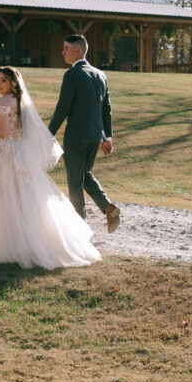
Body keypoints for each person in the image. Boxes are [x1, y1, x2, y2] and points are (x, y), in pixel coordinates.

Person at [0, 66, 101, 269]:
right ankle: (27, 240)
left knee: (4, 198)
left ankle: (10, 244)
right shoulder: (20, 101)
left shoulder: (3, 102)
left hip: (5, 155)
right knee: (22, 197)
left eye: (3, 81)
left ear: (13, 83)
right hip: (19, 154)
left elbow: (2, 132)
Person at [48, 35, 120, 233]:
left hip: (76, 138)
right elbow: (107, 109)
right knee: (83, 175)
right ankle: (107, 207)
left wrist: (47, 135)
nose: (62, 52)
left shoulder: (72, 75)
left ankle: (79, 231)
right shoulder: (100, 74)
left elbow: (62, 108)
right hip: (95, 137)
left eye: (65, 48)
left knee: (74, 184)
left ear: (77, 51)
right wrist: (107, 138)